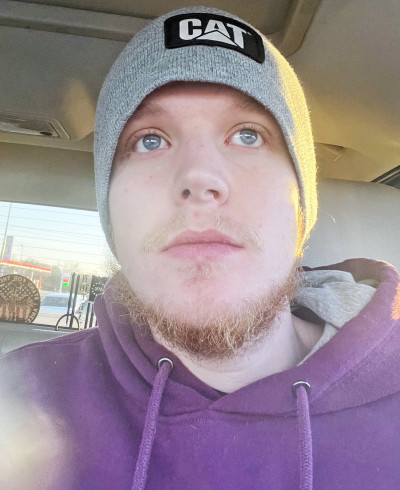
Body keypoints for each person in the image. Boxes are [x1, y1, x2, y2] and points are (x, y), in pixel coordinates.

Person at [1, 6, 400, 490]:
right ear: (112, 215)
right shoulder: (17, 401)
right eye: (150, 141)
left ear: (301, 205)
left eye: (248, 136)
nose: (199, 178)